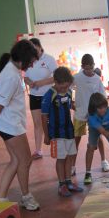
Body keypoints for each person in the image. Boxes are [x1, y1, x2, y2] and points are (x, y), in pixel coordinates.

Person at [0, 39, 40, 211]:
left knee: (16, 160)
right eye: (30, 61)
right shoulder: (10, 75)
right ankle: (26, 197)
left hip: (11, 123)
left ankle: (1, 197)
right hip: (10, 125)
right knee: (25, 160)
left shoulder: (13, 69)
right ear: (23, 58)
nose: (31, 65)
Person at [41, 67, 83, 197]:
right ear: (56, 82)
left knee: (70, 156)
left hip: (69, 131)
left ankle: (69, 182)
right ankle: (61, 185)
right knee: (61, 158)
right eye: (63, 87)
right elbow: (44, 116)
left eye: (67, 87)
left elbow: (70, 104)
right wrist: (47, 135)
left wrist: (79, 108)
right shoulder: (49, 95)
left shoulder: (69, 92)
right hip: (56, 133)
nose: (65, 89)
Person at [72, 53, 109, 175]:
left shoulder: (97, 79)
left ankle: (104, 160)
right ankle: (72, 166)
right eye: (86, 68)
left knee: (98, 138)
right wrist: (71, 102)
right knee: (76, 140)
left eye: (91, 68)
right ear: (82, 66)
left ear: (94, 66)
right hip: (80, 114)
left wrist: (102, 111)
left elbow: (103, 97)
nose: (89, 71)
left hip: (94, 115)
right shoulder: (77, 77)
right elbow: (67, 89)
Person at [24, 38, 57, 160]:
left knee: (51, 122)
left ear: (39, 46)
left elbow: (57, 76)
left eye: (34, 48)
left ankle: (56, 147)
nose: (32, 51)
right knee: (37, 124)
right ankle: (38, 151)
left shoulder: (49, 59)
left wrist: (42, 82)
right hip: (34, 97)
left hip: (48, 95)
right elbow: (25, 77)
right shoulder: (29, 60)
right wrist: (29, 82)